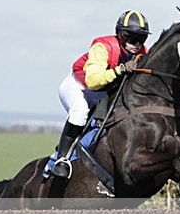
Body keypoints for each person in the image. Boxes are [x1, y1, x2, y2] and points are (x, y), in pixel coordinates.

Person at [46, 10, 151, 178]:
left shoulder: (142, 53)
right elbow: (93, 81)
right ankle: (61, 159)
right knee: (80, 112)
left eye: (142, 38)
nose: (137, 44)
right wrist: (121, 69)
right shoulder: (102, 46)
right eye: (131, 37)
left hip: (103, 94)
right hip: (79, 87)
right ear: (119, 35)